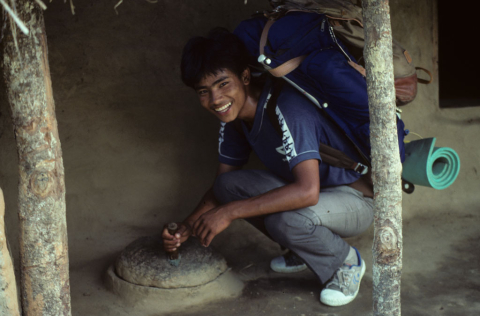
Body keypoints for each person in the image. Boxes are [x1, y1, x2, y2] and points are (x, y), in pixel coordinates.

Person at [162, 28, 374, 307]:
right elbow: (222, 187)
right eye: (204, 91)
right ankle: (304, 248)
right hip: (318, 198)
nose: (215, 99)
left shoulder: (287, 107)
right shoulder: (234, 119)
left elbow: (307, 192)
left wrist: (229, 212)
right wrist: (187, 226)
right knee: (227, 187)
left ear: (245, 77)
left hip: (354, 199)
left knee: (284, 220)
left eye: (223, 84)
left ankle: (345, 262)